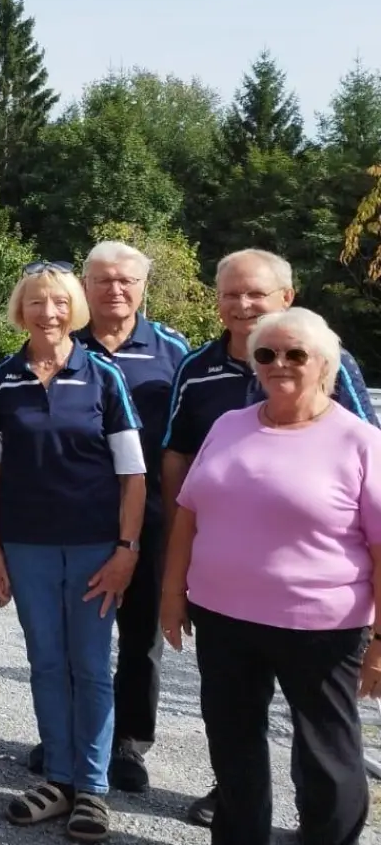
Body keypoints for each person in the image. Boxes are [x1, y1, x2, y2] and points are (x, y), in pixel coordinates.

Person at [160, 247, 377, 826]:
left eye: (295, 354)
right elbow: (186, 496)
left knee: (325, 749)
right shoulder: (221, 412)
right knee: (233, 743)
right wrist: (172, 588)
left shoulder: (354, 432)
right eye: (267, 355)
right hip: (225, 615)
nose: (280, 362)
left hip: (322, 623)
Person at [0, 261, 145, 842]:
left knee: (92, 665)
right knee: (46, 662)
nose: (47, 312)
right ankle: (59, 778)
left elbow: (133, 475)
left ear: (72, 307)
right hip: (27, 547)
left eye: (57, 302)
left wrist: (127, 548)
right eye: (34, 302)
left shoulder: (103, 377)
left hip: (97, 547)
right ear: (19, 309)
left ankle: (93, 789)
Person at [23, 240, 186, 793]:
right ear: (84, 287)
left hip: (152, 515)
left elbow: (184, 442)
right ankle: (65, 736)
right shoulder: (64, 344)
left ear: (143, 286)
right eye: (102, 280)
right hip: (78, 520)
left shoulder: (172, 350)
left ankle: (128, 743)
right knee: (73, 637)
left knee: (140, 635)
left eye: (126, 280)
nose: (115, 289)